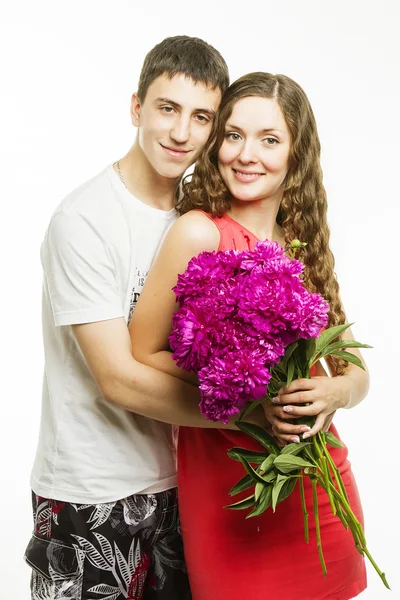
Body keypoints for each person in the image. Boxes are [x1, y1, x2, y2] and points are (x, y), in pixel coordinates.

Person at [129, 72, 369, 599]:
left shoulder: (300, 243)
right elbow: (141, 353)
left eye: (269, 139)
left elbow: (355, 372)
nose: (246, 154)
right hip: (231, 496)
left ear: (295, 153)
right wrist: (235, 390)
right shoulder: (198, 231)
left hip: (320, 487)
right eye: (233, 135)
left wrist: (336, 392)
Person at [24, 35, 236, 600]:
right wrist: (244, 415)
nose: (181, 132)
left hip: (180, 486)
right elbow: (117, 378)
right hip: (89, 493)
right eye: (167, 109)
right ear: (137, 107)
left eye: (201, 118)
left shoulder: (200, 222)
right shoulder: (85, 219)